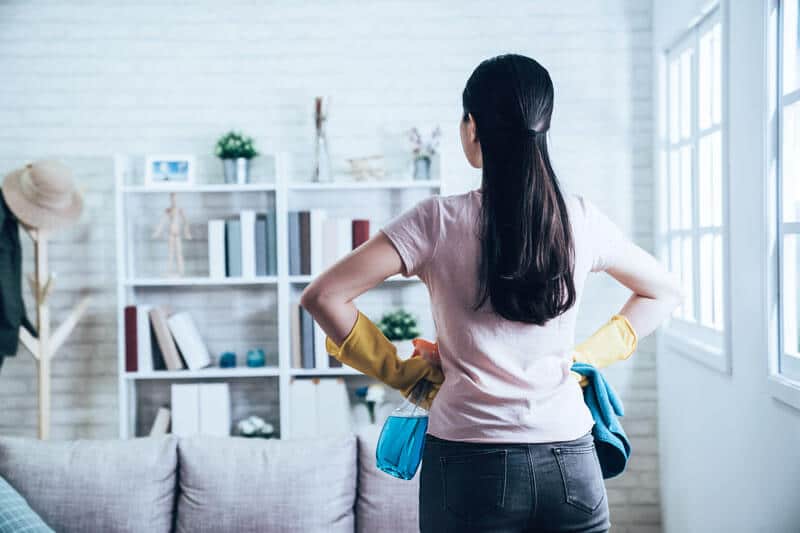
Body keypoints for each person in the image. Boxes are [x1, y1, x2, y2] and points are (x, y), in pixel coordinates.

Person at [301, 53, 683, 533]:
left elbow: (323, 296)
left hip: (468, 463)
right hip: (571, 463)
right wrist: (585, 357)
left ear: (471, 127)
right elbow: (663, 292)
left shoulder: (435, 221)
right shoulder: (580, 217)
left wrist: (401, 373)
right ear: (543, 127)